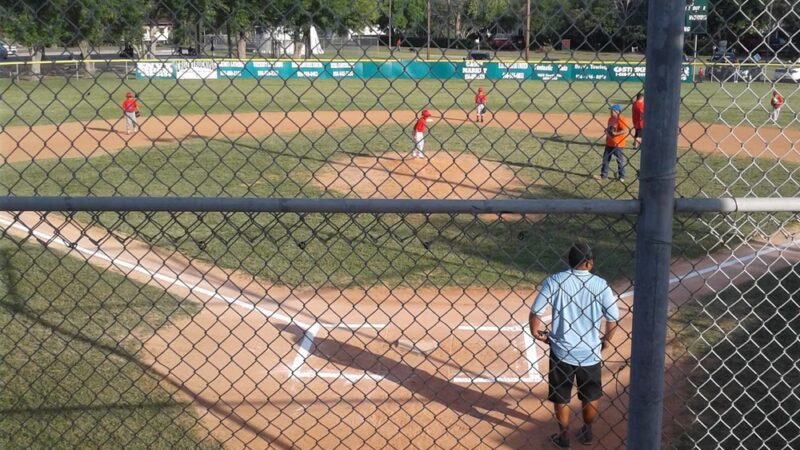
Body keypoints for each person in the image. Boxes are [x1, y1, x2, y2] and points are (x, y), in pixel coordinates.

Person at [529, 242, 619, 449]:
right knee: (591, 394)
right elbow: (613, 318)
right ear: (588, 263)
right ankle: (587, 432)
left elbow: (536, 312)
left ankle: (563, 437)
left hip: (561, 352)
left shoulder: (556, 281)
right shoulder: (601, 284)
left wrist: (535, 332)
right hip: (590, 352)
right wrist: (606, 340)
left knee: (561, 395)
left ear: (570, 261)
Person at [596, 104, 629, 182]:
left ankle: (621, 176)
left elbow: (625, 130)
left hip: (618, 144)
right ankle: (604, 175)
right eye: (611, 110)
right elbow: (609, 128)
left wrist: (616, 134)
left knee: (619, 160)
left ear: (617, 111)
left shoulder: (621, 119)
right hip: (609, 143)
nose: (611, 112)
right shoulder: (610, 119)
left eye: (612, 110)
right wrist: (607, 131)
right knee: (605, 159)